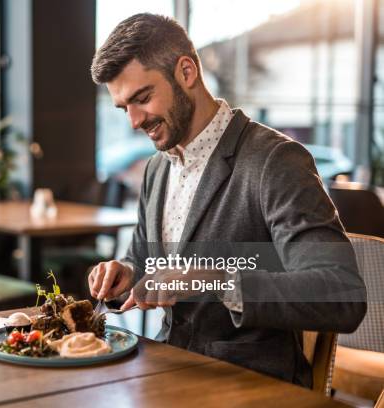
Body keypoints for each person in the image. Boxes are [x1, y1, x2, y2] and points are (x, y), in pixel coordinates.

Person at [88, 13, 367, 387]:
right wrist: (127, 272)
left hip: (249, 385)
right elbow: (145, 260)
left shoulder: (276, 160)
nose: (134, 122)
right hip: (166, 374)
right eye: (124, 108)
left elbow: (340, 293)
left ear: (186, 72)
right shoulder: (157, 168)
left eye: (142, 98)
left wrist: (216, 279)